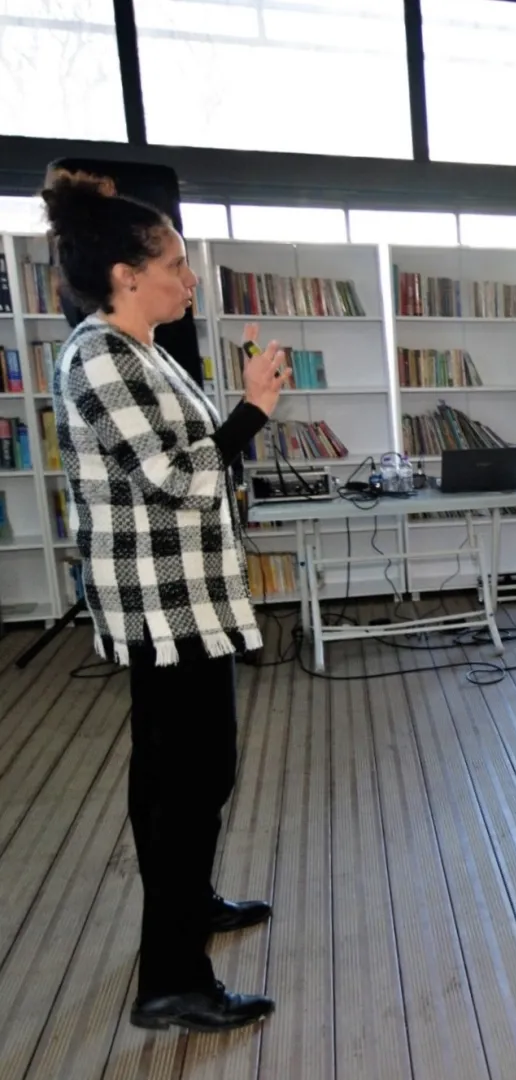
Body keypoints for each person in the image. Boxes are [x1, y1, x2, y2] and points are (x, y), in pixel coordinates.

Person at [42, 173, 282, 1031]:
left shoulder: (140, 348)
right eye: (175, 264)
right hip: (162, 609)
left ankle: (189, 905)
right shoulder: (99, 356)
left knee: (182, 776)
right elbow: (178, 479)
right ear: (125, 275)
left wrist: (240, 418)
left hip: (188, 602)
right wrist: (253, 410)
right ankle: (173, 980)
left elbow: (193, 460)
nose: (189, 279)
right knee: (187, 783)